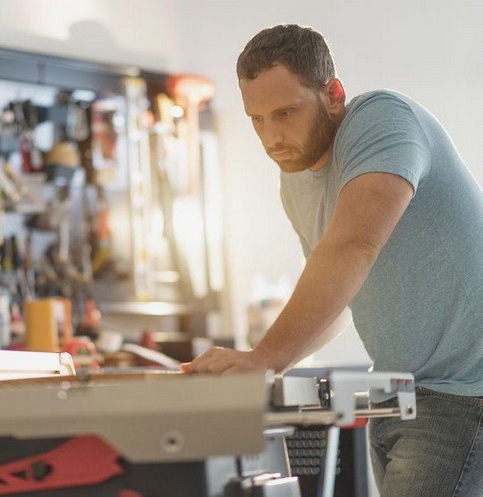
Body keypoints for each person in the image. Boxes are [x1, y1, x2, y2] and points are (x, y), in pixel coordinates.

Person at [181, 24, 483, 496]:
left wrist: (264, 357)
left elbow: (353, 248)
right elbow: (340, 296)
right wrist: (268, 367)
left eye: (286, 112)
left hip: (463, 393)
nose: (272, 137)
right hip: (398, 394)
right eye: (257, 119)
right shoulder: (295, 177)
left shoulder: (383, 119)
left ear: (334, 94)